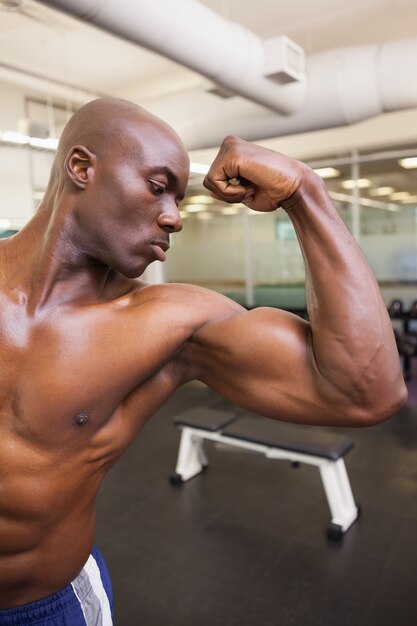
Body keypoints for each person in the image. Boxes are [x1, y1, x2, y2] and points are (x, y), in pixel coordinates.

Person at [0, 97, 406, 624]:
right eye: (157, 186)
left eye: (180, 198)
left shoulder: (171, 323)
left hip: (42, 606)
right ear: (82, 168)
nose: (174, 217)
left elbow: (367, 391)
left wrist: (306, 194)